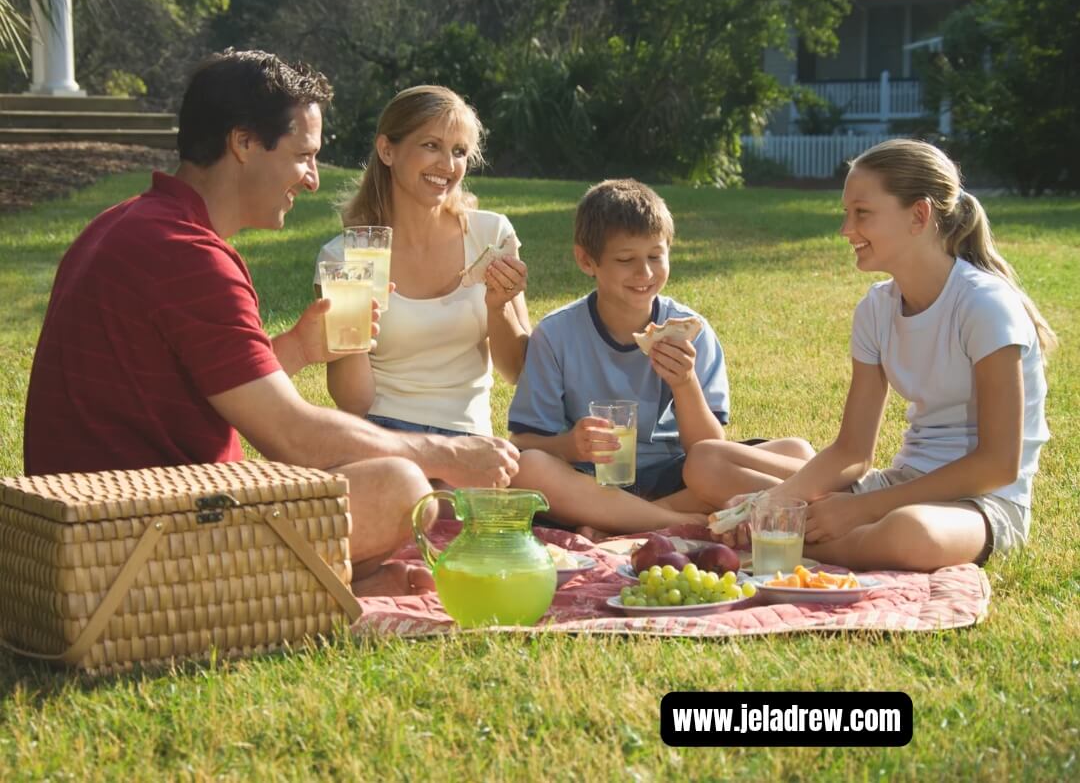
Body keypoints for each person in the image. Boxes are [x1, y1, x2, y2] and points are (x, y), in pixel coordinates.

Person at [23, 50, 520, 595]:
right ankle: (297, 587)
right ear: (243, 143)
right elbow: (294, 436)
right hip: (133, 538)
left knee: (380, 483)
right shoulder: (188, 256)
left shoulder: (126, 223)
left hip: (87, 525)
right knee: (400, 485)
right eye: (303, 155)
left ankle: (330, 581)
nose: (311, 180)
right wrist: (447, 455)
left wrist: (301, 348)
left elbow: (199, 393)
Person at [706, 139, 1055, 571]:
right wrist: (777, 499)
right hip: (903, 485)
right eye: (846, 214)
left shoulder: (985, 305)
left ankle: (788, 542)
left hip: (983, 502)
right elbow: (853, 451)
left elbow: (999, 465)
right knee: (710, 463)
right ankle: (792, 533)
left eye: (862, 213)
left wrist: (859, 511)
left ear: (919, 215)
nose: (846, 229)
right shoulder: (876, 308)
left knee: (912, 535)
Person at [506, 178, 810, 535]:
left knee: (797, 451)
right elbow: (523, 442)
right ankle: (675, 522)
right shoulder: (556, 334)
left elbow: (709, 449)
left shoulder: (693, 333)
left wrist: (685, 383)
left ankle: (622, 521)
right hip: (591, 480)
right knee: (527, 468)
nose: (645, 273)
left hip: (674, 476)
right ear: (586, 260)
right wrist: (569, 445)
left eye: (655, 256)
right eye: (626, 259)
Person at [314, 85, 530, 437]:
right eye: (431, 146)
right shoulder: (345, 256)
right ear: (387, 150)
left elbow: (518, 372)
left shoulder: (490, 235)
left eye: (459, 151)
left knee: (446, 488)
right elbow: (353, 403)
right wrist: (352, 330)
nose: (447, 166)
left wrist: (499, 306)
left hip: (467, 438)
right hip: (382, 436)